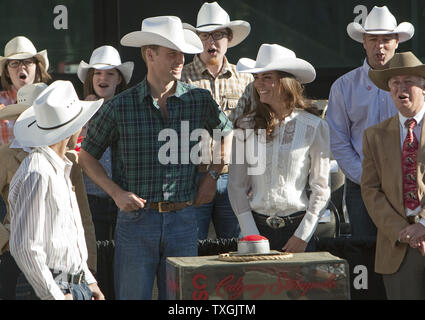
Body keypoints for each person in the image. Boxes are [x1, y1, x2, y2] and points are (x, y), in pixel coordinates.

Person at [78, 16, 232, 300]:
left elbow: (228, 132)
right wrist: (115, 193)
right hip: (136, 220)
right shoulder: (120, 106)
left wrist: (213, 175)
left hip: (184, 218)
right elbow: (86, 156)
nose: (181, 60)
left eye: (182, 53)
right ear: (150, 55)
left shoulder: (199, 99)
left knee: (182, 303)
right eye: (172, 53)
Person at [227, 44, 330, 252]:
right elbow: (235, 185)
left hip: (298, 228)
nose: (259, 84)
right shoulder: (245, 125)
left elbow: (321, 187)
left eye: (267, 78)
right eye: (257, 78)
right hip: (256, 229)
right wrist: (250, 233)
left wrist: (303, 235)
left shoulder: (314, 126)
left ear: (285, 82)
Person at [8, 80, 104, 300]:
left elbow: (68, 237)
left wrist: (88, 281)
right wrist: (55, 297)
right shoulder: (39, 170)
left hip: (67, 284)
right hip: (51, 286)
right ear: (72, 128)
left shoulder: (57, 167)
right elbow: (25, 247)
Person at [326, 6, 415, 236]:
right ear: (363, 42)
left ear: (397, 42)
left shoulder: (416, 87)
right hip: (361, 185)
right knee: (365, 250)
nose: (380, 46)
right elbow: (339, 142)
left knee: (407, 245)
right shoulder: (344, 87)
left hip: (408, 181)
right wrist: (367, 178)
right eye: (373, 39)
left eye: (386, 39)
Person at [181, 1, 253, 240]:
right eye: (204, 35)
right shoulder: (181, 76)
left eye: (218, 35)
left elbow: (254, 129)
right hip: (192, 175)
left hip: (235, 176)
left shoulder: (245, 79)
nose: (211, 42)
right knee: (193, 249)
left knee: (236, 248)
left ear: (229, 38)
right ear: (197, 39)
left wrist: (253, 176)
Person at [362, 52, 425, 299]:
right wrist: (402, 230)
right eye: (395, 83)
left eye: (408, 81)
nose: (401, 88)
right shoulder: (374, 135)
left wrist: (423, 225)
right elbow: (370, 191)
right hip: (398, 245)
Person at [77, 45, 134, 241]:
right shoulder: (76, 112)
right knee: (96, 256)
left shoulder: (130, 110)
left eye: (110, 73)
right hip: (90, 197)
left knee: (122, 256)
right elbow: (71, 149)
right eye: (98, 73)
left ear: (119, 79)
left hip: (124, 195)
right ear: (90, 78)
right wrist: (85, 116)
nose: (103, 78)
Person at [0, 35, 51, 228]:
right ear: (6, 71)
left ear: (38, 67)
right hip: (7, 193)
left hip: (46, 187)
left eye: (27, 62)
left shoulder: (54, 102)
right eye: (14, 63)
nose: (21, 68)